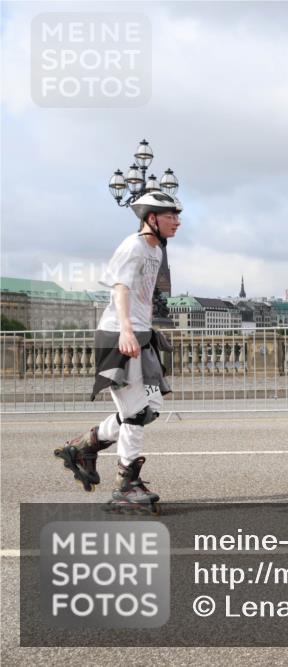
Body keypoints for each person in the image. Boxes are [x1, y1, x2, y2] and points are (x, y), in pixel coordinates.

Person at [53, 191, 182, 514]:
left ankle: (85, 445)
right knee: (135, 412)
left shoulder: (156, 250)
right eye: (170, 216)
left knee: (150, 408)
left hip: (139, 335)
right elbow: (120, 288)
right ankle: (126, 485)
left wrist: (145, 327)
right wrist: (126, 330)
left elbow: (144, 295)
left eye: (177, 216)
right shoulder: (133, 246)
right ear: (151, 218)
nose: (177, 222)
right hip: (118, 336)